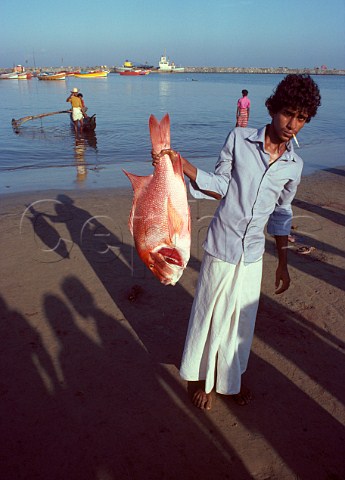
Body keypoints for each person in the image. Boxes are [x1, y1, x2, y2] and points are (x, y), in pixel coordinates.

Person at [152, 74, 321, 410]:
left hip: (253, 255)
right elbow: (221, 184)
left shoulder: (293, 166)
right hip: (222, 245)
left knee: (240, 321)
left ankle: (229, 380)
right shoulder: (240, 139)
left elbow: (281, 214)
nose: (293, 124)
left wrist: (284, 263)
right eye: (289, 113)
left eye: (302, 118)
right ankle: (202, 378)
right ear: (273, 109)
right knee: (210, 314)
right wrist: (182, 166)